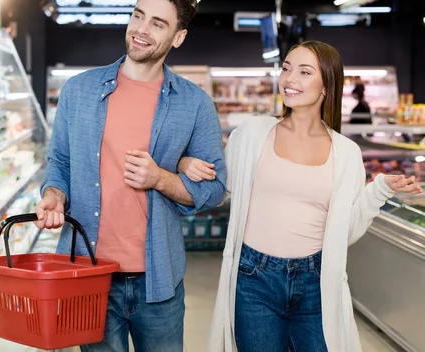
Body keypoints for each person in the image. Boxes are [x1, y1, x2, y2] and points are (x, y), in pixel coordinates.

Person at [179, 41, 421, 352]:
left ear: (326, 86)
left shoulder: (346, 154)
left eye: (304, 72)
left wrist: (381, 189)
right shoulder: (252, 135)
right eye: (286, 68)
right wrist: (184, 163)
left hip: (316, 283)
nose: (290, 79)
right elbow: (217, 190)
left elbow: (342, 233)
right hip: (254, 280)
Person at [35, 0, 226, 352]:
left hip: (158, 280)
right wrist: (55, 194)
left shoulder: (194, 103)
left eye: (158, 23)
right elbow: (59, 162)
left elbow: (214, 190)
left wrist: (160, 178)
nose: (141, 29)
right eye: (138, 15)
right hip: (89, 273)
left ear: (178, 37)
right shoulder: (80, 90)